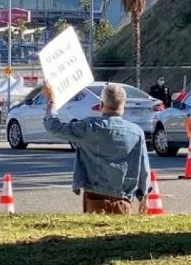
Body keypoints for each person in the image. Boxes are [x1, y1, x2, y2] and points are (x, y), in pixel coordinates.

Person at [42, 82, 150, 214]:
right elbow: (144, 169)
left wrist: (51, 101)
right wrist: (143, 196)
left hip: (95, 197)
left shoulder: (90, 127)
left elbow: (54, 127)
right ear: (123, 105)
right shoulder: (137, 132)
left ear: (101, 105)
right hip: (124, 201)